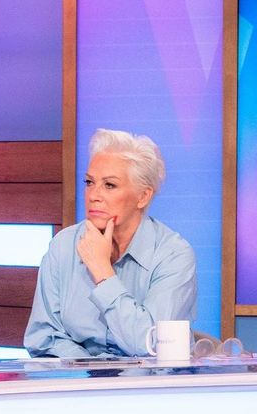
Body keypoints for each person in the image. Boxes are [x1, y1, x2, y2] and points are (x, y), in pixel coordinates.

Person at [25, 128, 196, 358]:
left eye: (109, 185)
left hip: (149, 390)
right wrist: (92, 373)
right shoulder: (63, 246)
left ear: (143, 196)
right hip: (78, 387)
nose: (93, 195)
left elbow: (151, 346)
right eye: (89, 182)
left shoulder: (173, 255)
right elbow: (43, 338)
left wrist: (103, 273)